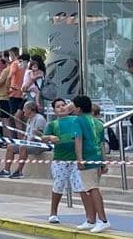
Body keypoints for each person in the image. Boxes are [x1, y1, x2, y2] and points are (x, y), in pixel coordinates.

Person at [72, 96, 110, 233]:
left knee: (93, 189)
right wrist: (103, 162)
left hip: (88, 159)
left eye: (74, 106)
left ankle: (103, 220)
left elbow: (78, 140)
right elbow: (101, 144)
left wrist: (80, 159)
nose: (72, 108)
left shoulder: (78, 121)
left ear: (79, 108)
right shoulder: (98, 123)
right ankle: (91, 220)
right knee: (90, 189)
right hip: (97, 158)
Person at [43, 98, 77, 224]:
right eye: (58, 106)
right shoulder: (52, 124)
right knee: (58, 186)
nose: (62, 108)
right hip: (60, 159)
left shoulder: (75, 119)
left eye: (63, 105)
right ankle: (53, 213)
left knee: (82, 188)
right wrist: (50, 137)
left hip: (76, 159)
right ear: (54, 110)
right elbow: (43, 138)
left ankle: (90, 216)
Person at [0, 101, 45, 179]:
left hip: (39, 144)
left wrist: (26, 142)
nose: (23, 110)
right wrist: (23, 140)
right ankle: (6, 171)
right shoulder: (29, 119)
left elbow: (38, 135)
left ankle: (19, 172)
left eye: (25, 108)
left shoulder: (39, 119)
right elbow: (27, 135)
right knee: (10, 147)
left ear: (31, 109)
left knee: (22, 147)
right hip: (29, 143)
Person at [0, 50, 13, 139]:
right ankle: (7, 138)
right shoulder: (10, 69)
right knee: (4, 119)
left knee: (5, 120)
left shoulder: (6, 70)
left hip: (4, 97)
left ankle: (7, 138)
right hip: (5, 96)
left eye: (0, 61)